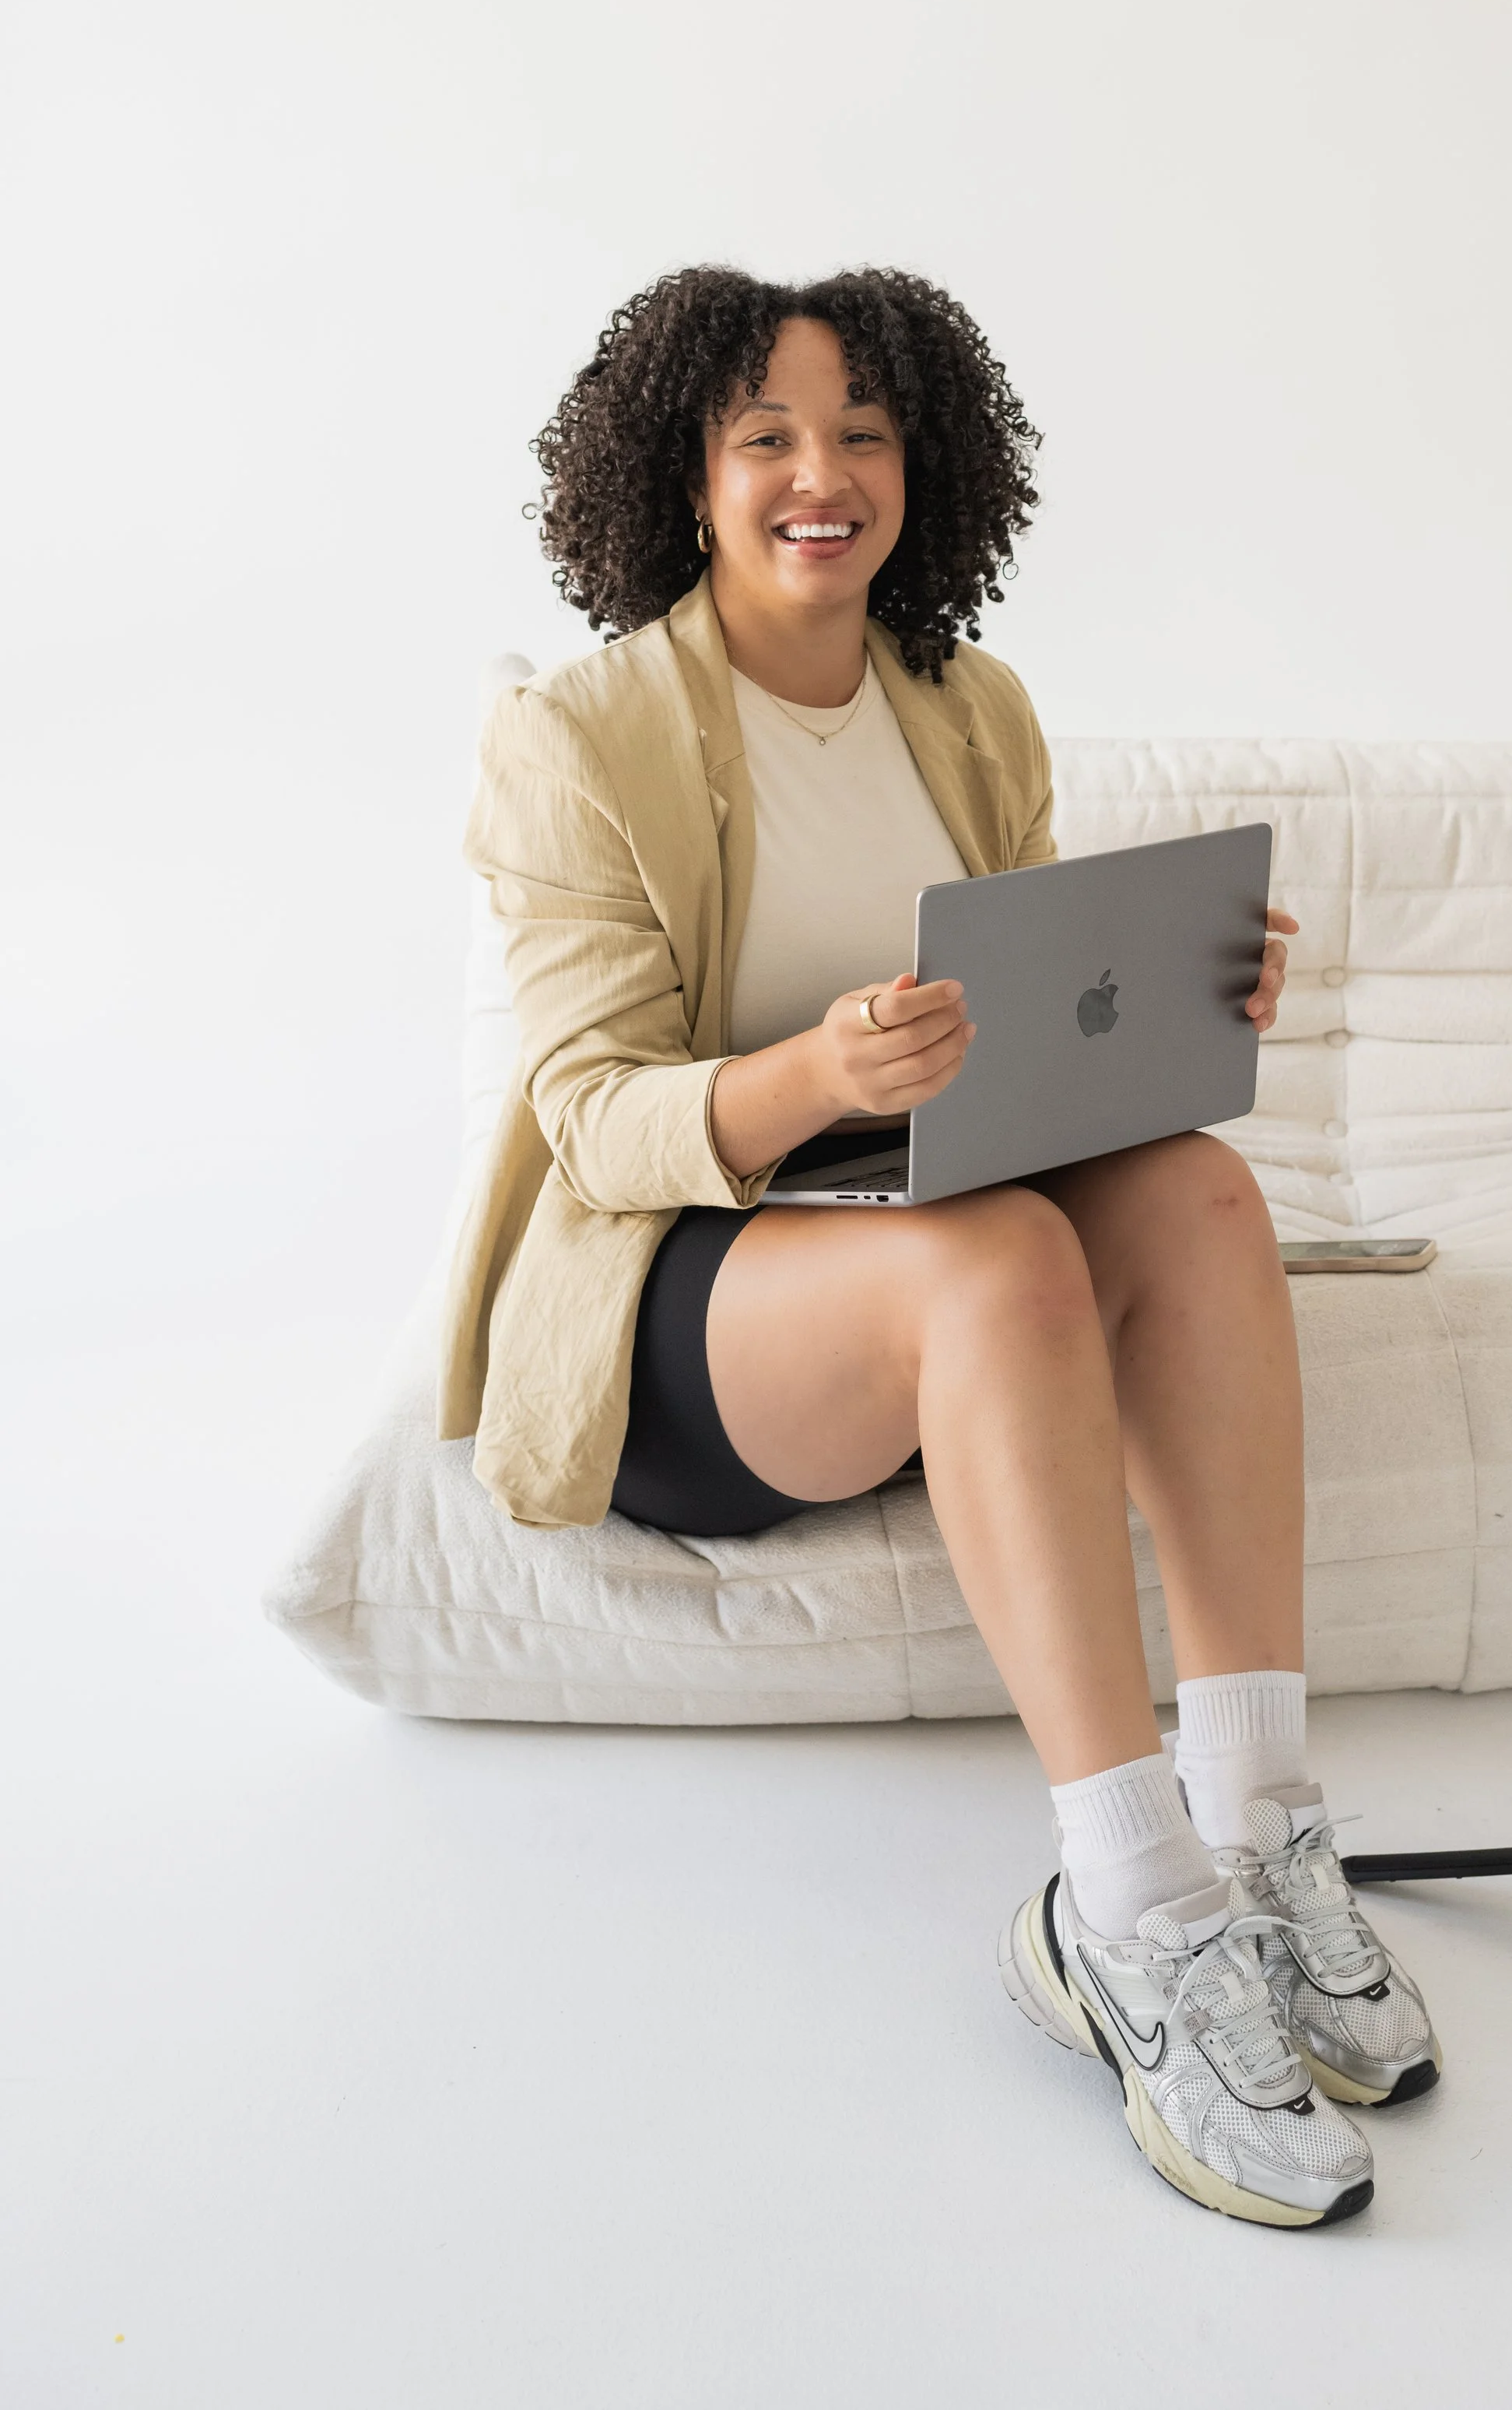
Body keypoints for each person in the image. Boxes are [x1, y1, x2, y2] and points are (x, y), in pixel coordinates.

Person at [440, 265, 1439, 2228]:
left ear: (926, 465)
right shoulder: (578, 736)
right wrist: (812, 1068)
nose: (824, 475)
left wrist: (1177, 993)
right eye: (769, 439)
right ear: (689, 476)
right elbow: (592, 1120)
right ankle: (1126, 1915)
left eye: (863, 434)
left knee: (1200, 1193)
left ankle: (1261, 1826)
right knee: (994, 1267)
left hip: (925, 1225)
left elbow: (1031, 1031)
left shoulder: (968, 710)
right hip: (694, 1301)